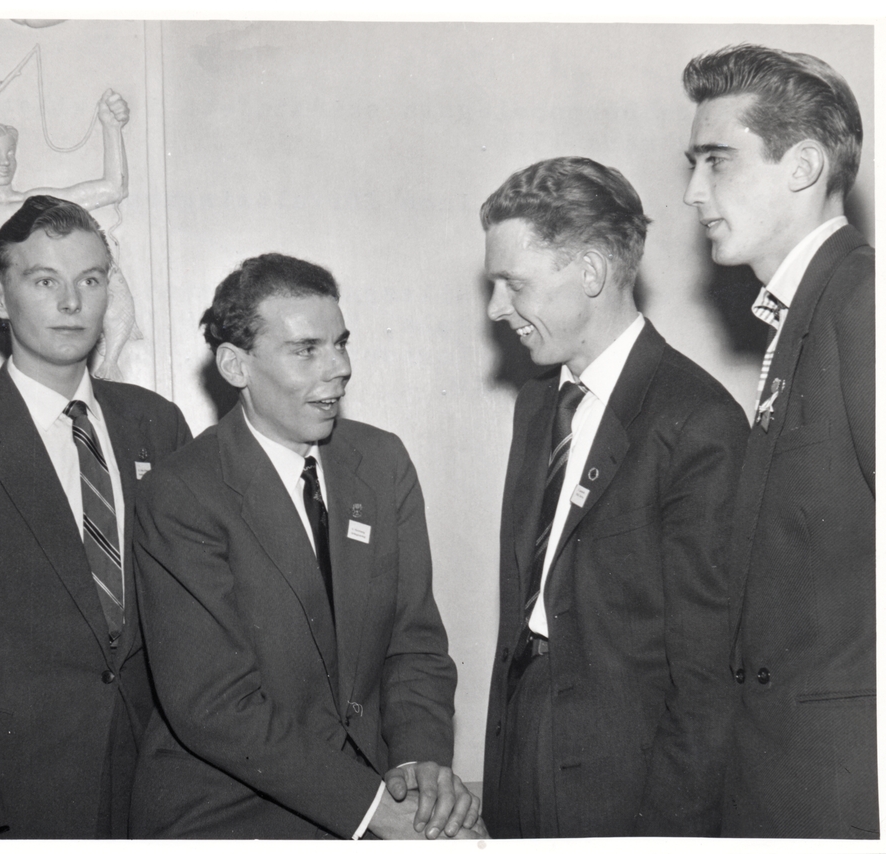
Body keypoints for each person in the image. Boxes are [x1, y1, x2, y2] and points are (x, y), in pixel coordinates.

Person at [130, 253, 482, 840]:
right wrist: (374, 810)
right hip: (231, 812)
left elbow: (414, 643)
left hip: (375, 788)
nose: (339, 368)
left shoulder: (382, 462)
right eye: (306, 350)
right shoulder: (181, 493)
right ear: (235, 365)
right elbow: (216, 707)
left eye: (340, 344)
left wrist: (416, 764)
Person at [0, 195, 192, 838]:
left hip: (160, 779)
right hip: (20, 787)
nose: (72, 303)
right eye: (44, 282)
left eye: (90, 280)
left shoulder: (156, 423)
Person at [480, 157, 748, 837]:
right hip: (524, 744)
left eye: (514, 284)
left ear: (592, 272)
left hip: (627, 781)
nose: (496, 308)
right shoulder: (538, 404)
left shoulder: (697, 422)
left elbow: (707, 680)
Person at [682, 44, 876, 839]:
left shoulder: (862, 302)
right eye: (692, 165)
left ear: (803, 166)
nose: (693, 193)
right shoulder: (807, 312)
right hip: (787, 775)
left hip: (843, 788)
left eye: (717, 161)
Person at [0, 89, 136, 386]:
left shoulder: (33, 207)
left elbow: (113, 188)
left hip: (34, 337)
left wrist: (111, 126)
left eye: (9, 153)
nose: (4, 161)